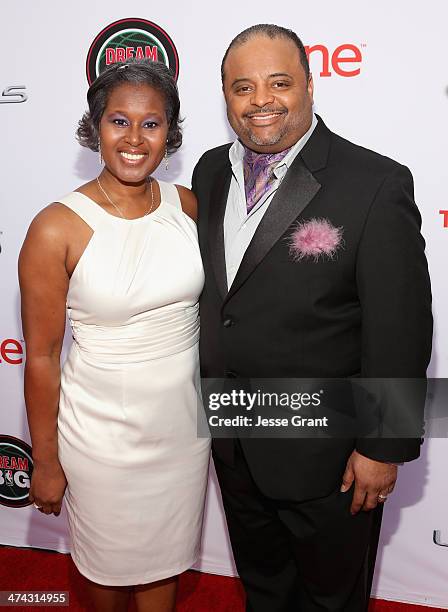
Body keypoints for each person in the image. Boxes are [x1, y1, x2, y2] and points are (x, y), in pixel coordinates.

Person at [192, 24, 432, 611]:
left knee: (331, 600)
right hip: (234, 436)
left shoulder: (374, 183)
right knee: (264, 590)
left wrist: (384, 446)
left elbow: (400, 328)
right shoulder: (208, 172)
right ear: (225, 97)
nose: (261, 100)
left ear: (310, 85)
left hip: (329, 455)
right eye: (242, 87)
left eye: (279, 82)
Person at [19, 59, 210, 612]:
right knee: (105, 572)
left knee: (165, 568)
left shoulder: (187, 208)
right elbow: (43, 357)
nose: (134, 138)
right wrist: (46, 460)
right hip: (101, 441)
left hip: (181, 435)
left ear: (169, 134)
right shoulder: (56, 226)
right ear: (95, 128)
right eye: (118, 121)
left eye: (151, 124)